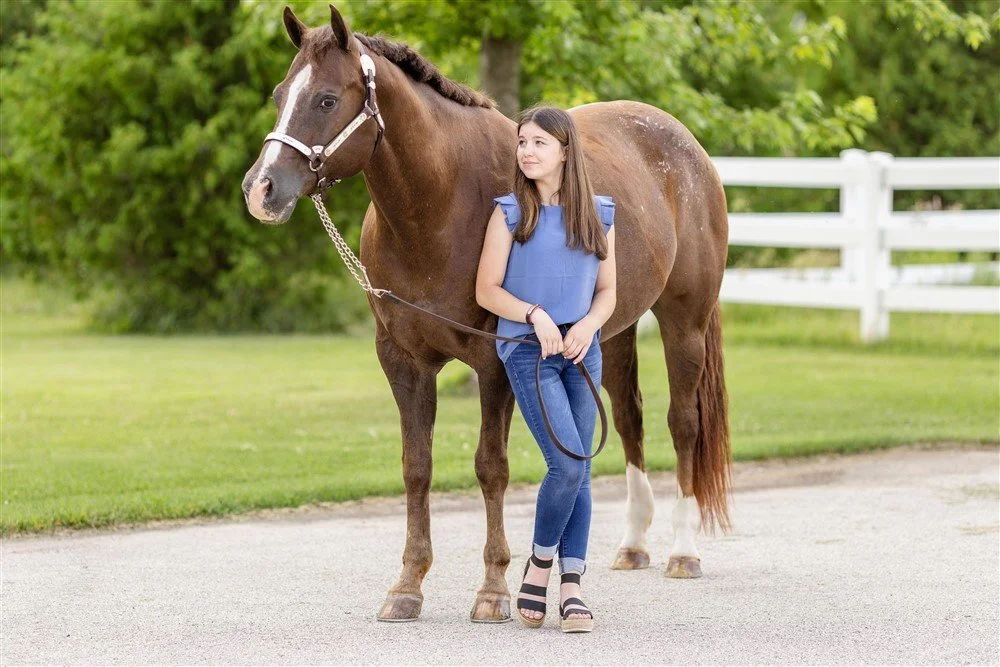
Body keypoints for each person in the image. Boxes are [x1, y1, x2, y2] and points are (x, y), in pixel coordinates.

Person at [475, 106, 617, 633]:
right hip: (529, 351)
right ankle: (539, 566)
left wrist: (586, 327)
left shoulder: (599, 215)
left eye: (538, 143)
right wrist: (535, 315)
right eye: (522, 143)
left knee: (581, 469)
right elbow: (486, 290)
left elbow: (608, 293)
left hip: (582, 352)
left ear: (565, 151)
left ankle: (573, 587)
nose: (526, 152)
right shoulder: (509, 213)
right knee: (569, 465)